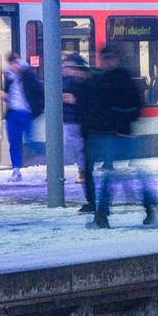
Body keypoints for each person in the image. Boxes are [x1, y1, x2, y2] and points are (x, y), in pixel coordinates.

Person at [85, 47, 158, 229]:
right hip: (122, 134)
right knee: (131, 174)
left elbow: (105, 109)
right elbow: (137, 107)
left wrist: (113, 123)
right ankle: (149, 208)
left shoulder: (112, 80)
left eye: (108, 58)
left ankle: (102, 215)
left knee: (111, 177)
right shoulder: (122, 79)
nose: (106, 62)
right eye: (104, 58)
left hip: (115, 134)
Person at [1, 51, 44, 182]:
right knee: (14, 142)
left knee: (31, 141)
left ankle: (49, 161)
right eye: (11, 64)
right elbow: (7, 92)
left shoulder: (28, 74)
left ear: (19, 61)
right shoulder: (8, 76)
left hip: (26, 112)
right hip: (12, 113)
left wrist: (37, 109)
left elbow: (39, 91)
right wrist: (4, 96)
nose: (14, 67)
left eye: (15, 63)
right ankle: (16, 170)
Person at [62, 53, 95, 213]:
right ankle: (92, 201)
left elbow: (90, 104)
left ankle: (93, 202)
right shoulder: (70, 82)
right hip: (76, 125)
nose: (66, 70)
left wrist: (75, 100)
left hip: (82, 126)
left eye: (69, 67)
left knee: (85, 163)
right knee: (84, 163)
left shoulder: (85, 84)